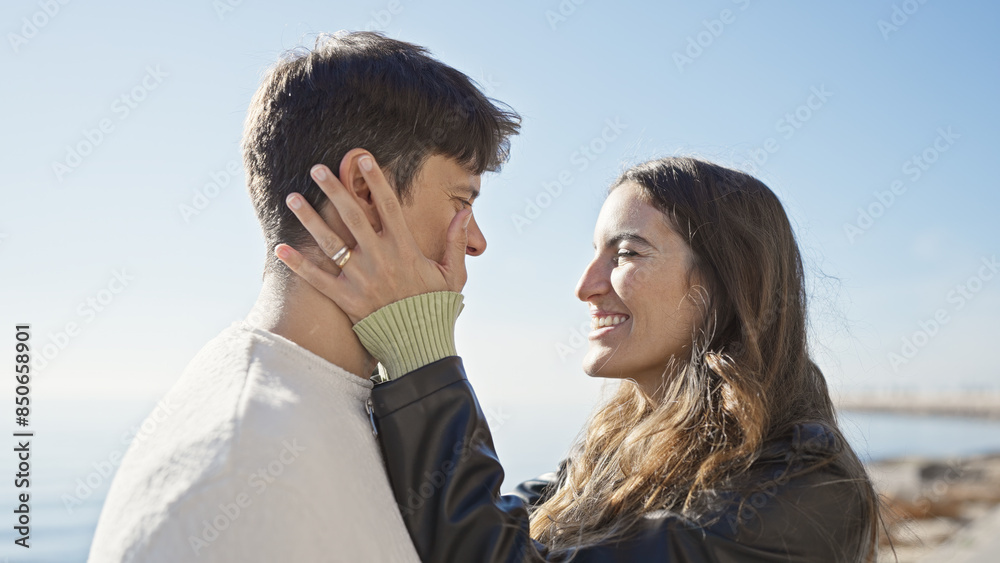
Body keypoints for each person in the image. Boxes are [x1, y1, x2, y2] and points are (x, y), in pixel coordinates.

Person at [276, 155, 882, 561]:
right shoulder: (621, 446)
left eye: (627, 252)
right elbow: (498, 524)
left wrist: (419, 348)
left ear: (729, 284)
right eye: (595, 253)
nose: (587, 284)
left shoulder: (805, 488)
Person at [87, 32, 519, 562]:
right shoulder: (239, 473)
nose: (475, 241)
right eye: (461, 200)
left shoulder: (346, 407)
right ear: (365, 193)